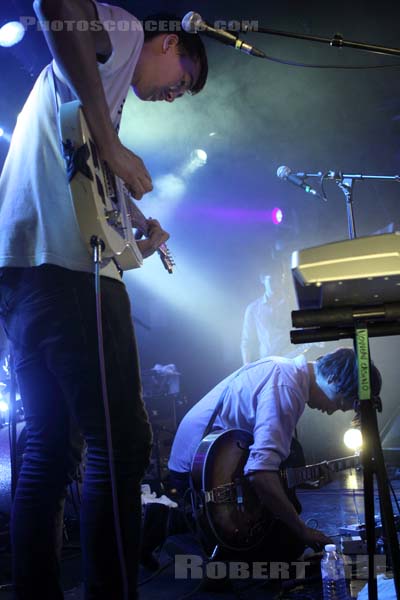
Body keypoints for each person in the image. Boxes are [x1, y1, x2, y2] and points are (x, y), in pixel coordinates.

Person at [0, 1, 208, 599]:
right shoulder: (127, 31)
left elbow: (81, 162)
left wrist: (135, 216)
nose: (177, 96)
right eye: (183, 83)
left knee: (45, 450)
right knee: (121, 445)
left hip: (23, 273)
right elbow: (57, 5)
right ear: (170, 45)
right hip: (70, 273)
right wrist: (114, 144)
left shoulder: (93, 92)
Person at [168, 348, 382, 557]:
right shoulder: (286, 388)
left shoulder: (287, 371)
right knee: (288, 546)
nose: (336, 410)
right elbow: (259, 473)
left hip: (207, 460)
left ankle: (189, 526)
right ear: (333, 379)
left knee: (291, 451)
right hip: (200, 474)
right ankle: (179, 526)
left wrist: (300, 479)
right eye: (341, 402)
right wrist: (302, 530)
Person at [240, 271, 293, 364]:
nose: (276, 283)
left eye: (279, 279)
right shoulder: (253, 309)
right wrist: (247, 366)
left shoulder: (292, 303)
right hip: (268, 361)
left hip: (293, 358)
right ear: (262, 279)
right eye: (272, 280)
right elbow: (247, 341)